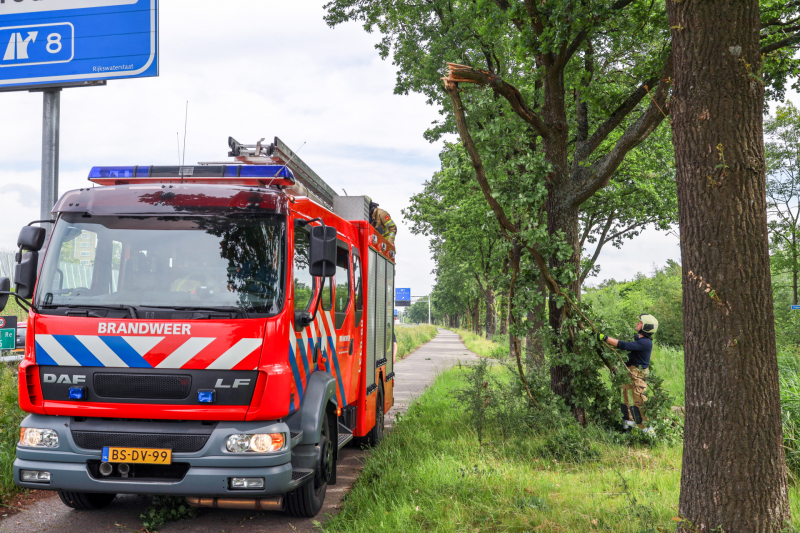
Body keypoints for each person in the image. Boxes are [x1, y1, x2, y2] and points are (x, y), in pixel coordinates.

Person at [597, 313, 659, 432]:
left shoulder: (645, 342)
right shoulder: (638, 338)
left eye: (640, 323)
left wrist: (605, 338)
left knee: (639, 401)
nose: (637, 323)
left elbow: (624, 346)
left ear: (646, 327)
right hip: (630, 372)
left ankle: (648, 432)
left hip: (638, 374)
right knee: (626, 399)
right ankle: (627, 427)